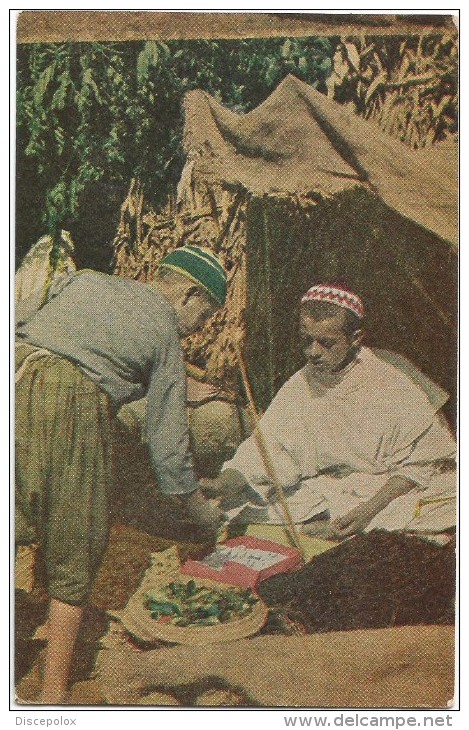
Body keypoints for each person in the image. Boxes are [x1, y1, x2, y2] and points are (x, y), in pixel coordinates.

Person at [15, 244, 227, 704]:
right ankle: (53, 697)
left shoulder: (88, 279)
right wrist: (199, 511)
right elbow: (169, 443)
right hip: (69, 402)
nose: (200, 329)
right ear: (189, 296)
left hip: (13, 375)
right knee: (78, 533)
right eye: (205, 317)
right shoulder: (164, 329)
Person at [201, 284, 456, 540]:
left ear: (355, 338)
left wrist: (368, 511)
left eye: (326, 343)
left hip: (387, 489)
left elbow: (421, 465)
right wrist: (227, 481)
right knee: (239, 507)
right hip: (327, 488)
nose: (313, 352)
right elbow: (270, 449)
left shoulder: (390, 380)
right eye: (306, 340)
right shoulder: (300, 384)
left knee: (443, 504)